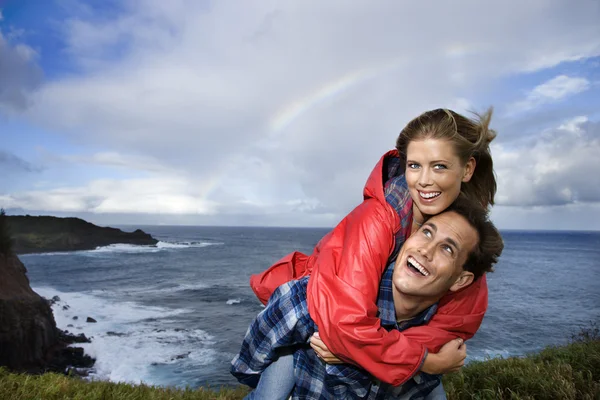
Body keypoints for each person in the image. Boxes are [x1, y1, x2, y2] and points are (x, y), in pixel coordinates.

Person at [237, 108, 498, 398]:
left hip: (365, 334)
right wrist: (427, 361)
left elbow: (457, 320)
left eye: (439, 167)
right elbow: (343, 321)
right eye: (414, 166)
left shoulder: (465, 230)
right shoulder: (379, 217)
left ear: (467, 168)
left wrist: (376, 352)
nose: (424, 180)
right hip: (310, 316)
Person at [232, 198, 503, 398]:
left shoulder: (440, 341)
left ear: (460, 280)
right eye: (427, 232)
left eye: (447, 248)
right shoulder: (325, 297)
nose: (426, 251)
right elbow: (261, 341)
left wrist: (353, 354)